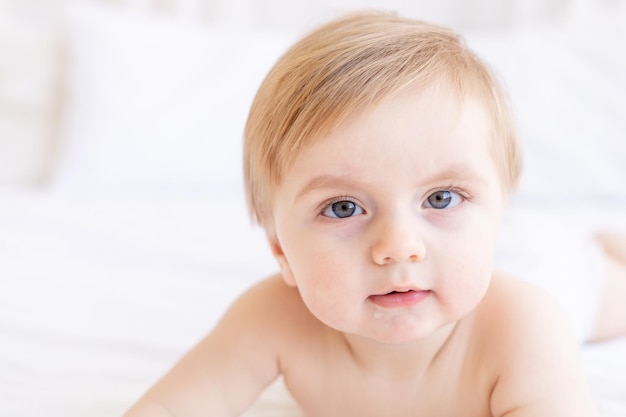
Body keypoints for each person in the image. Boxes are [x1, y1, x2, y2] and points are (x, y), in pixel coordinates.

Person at [123, 11, 626, 416]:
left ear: (499, 210)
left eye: (442, 197)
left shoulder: (526, 326)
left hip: (548, 265)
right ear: (279, 248)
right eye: (343, 208)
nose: (398, 245)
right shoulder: (272, 319)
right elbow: (170, 405)